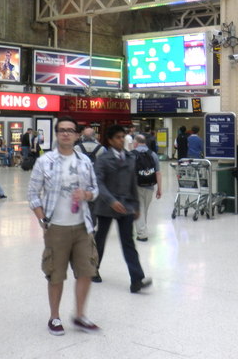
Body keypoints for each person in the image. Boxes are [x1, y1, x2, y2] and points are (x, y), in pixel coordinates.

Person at [27, 116, 100, 336]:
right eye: (61, 131)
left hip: (82, 226)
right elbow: (32, 193)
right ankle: (54, 317)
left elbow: (95, 189)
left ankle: (79, 315)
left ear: (77, 135)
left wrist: (87, 194)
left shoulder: (85, 161)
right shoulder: (45, 161)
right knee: (55, 274)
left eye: (70, 130)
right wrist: (42, 220)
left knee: (86, 271)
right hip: (56, 227)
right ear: (56, 134)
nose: (65, 134)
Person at [92, 124, 152, 293]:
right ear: (110, 140)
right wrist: (111, 201)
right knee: (100, 239)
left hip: (125, 205)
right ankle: (92, 269)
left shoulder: (130, 158)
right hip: (105, 206)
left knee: (128, 242)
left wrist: (136, 205)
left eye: (122, 137)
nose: (121, 140)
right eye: (117, 137)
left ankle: (136, 279)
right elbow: (98, 182)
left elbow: (133, 183)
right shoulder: (103, 159)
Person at [132, 134, 162, 241]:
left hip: (136, 186)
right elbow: (158, 173)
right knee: (144, 208)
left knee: (139, 209)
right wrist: (159, 188)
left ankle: (142, 234)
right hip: (150, 185)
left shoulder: (132, 154)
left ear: (135, 143)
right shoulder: (153, 154)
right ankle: (142, 229)